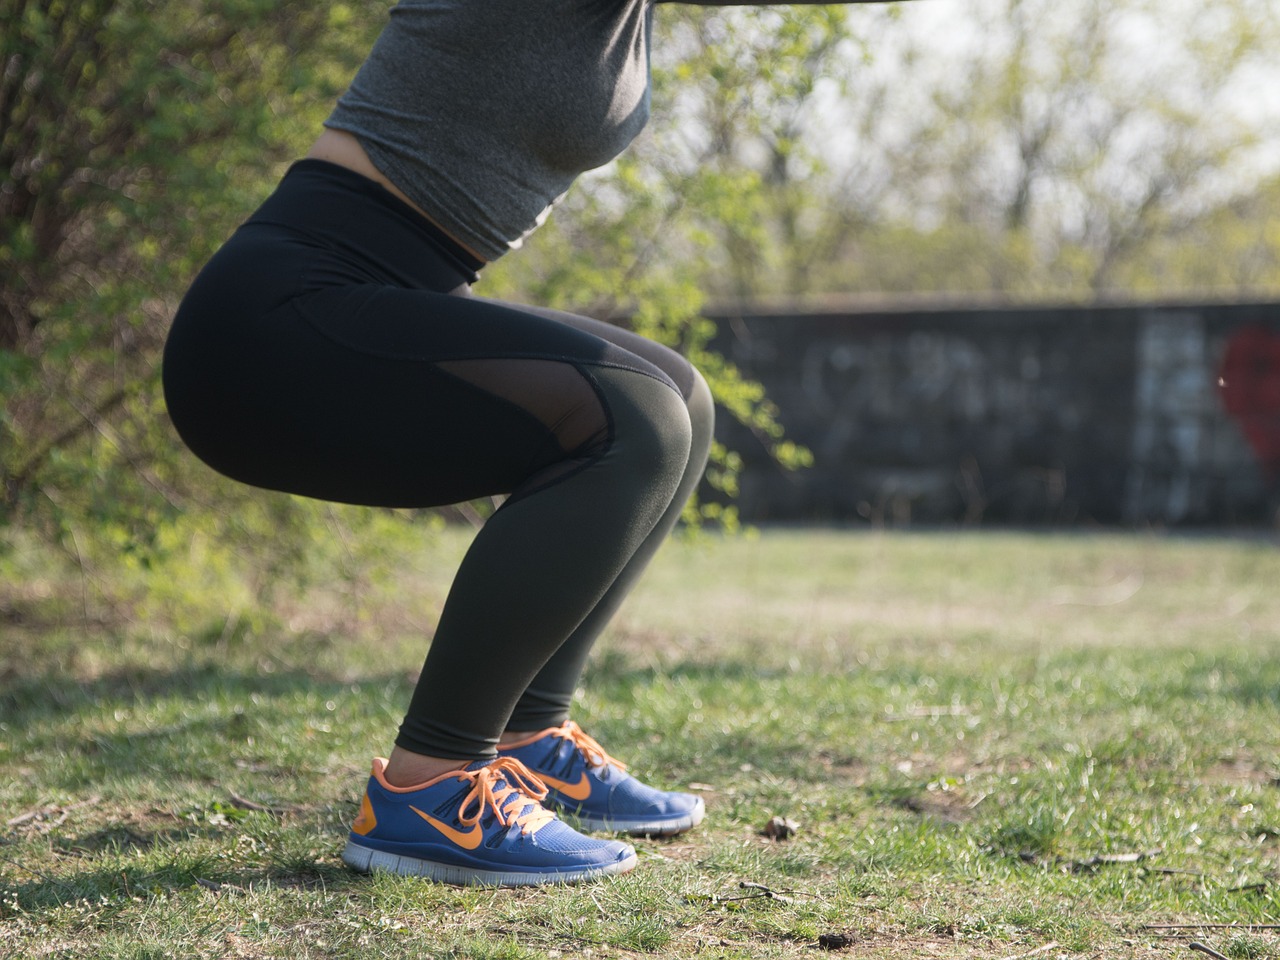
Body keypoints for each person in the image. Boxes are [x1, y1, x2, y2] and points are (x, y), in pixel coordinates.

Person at [163, 0, 894, 887]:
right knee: (635, 421)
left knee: (683, 402)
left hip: (365, 294)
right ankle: (430, 786)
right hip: (273, 325)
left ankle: (527, 738)